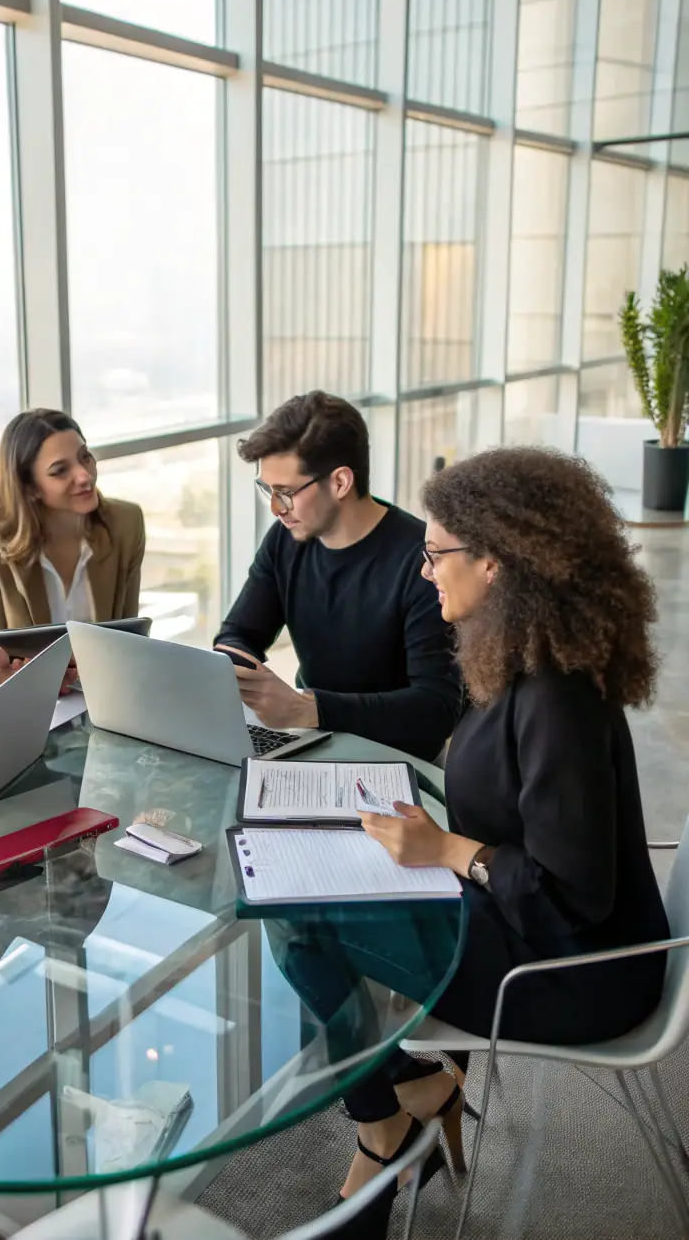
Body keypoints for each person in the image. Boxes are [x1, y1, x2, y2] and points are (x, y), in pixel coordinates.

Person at [331, 446, 669, 1223]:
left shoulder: (555, 697)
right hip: (519, 927)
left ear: (495, 564)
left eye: (436, 552)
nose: (423, 571)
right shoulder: (511, 656)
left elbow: (571, 897)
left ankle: (386, 1120)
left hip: (577, 972)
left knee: (309, 927)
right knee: (318, 901)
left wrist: (447, 851)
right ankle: (407, 1090)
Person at [214, 391, 461, 761]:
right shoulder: (287, 538)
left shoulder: (423, 562)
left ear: (341, 482)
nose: (276, 508)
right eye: (268, 489)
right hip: (313, 741)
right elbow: (239, 634)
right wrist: (229, 667)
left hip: (395, 759)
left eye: (286, 492)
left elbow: (435, 710)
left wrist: (308, 709)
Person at [0, 408, 145, 688]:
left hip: (107, 692)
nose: (84, 475)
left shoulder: (126, 524)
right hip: (33, 700)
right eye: (60, 471)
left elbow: (131, 634)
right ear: (30, 488)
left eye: (85, 457)